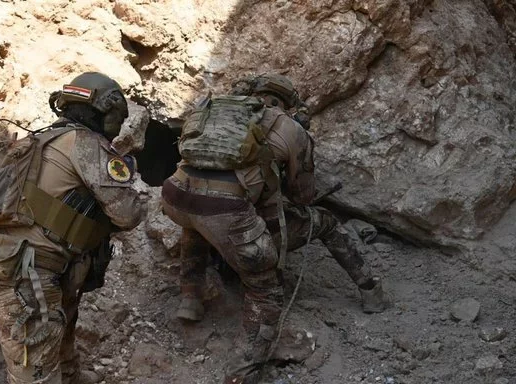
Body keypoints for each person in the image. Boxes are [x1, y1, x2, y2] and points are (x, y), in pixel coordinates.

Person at [161, 74, 389, 383]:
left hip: (175, 198)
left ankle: (191, 296)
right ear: (288, 103)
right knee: (269, 287)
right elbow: (302, 195)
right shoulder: (291, 128)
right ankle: (370, 292)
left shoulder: (216, 110)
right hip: (228, 215)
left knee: (199, 218)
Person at [0, 72, 144, 383]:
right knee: (34, 366)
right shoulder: (87, 144)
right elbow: (127, 215)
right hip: (24, 274)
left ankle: (68, 373)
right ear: (106, 109)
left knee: (59, 318)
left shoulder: (38, 139)